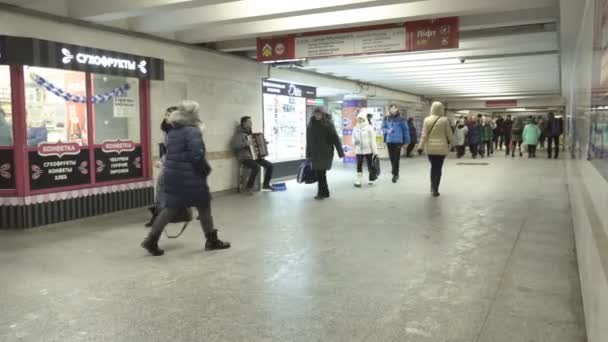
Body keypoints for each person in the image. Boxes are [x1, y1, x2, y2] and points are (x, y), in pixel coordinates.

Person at [141, 100, 230, 256]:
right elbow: (197, 155)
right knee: (204, 208)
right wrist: (205, 169)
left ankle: (151, 240)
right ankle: (211, 240)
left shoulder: (173, 131)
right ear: (193, 113)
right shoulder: (192, 131)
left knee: (169, 208)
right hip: (191, 177)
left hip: (173, 176)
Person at [146, 106, 179, 227]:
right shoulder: (167, 128)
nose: (167, 116)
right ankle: (158, 216)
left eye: (170, 114)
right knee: (162, 189)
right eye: (166, 113)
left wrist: (163, 160)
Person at [306, 107, 344, 200]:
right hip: (315, 153)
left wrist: (340, 151)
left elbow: (335, 138)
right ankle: (325, 192)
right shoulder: (311, 125)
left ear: (322, 114)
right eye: (315, 114)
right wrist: (308, 153)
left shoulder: (328, 124)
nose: (317, 115)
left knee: (321, 173)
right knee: (321, 173)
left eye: (319, 114)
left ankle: (321, 193)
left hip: (325, 152)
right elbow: (308, 140)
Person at [417, 102, 453, 197]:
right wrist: (453, 143)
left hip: (430, 149)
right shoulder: (445, 120)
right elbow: (449, 134)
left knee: (433, 167)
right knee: (438, 168)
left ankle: (432, 186)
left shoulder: (427, 120)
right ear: (441, 109)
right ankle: (435, 188)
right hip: (441, 149)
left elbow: (424, 135)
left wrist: (420, 147)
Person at [231, 116, 275, 193]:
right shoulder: (239, 134)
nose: (251, 123)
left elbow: (255, 145)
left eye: (251, 122)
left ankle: (266, 184)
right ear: (244, 123)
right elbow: (234, 146)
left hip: (254, 156)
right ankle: (249, 187)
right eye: (249, 122)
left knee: (270, 166)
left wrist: (263, 143)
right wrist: (245, 144)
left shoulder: (251, 134)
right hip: (244, 157)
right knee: (256, 167)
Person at [382, 104, 410, 183]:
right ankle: (394, 170)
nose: (393, 110)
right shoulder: (386, 118)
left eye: (394, 108)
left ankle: (395, 174)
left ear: (397, 109)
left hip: (398, 141)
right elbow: (383, 128)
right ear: (389, 110)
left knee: (396, 158)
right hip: (389, 141)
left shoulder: (402, 119)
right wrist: (387, 131)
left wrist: (406, 141)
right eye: (391, 108)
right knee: (391, 158)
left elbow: (406, 130)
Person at [352, 112, 378, 187]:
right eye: (358, 119)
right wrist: (354, 142)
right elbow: (353, 138)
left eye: (361, 119)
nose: (359, 120)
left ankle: (371, 179)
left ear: (364, 119)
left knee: (370, 165)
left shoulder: (369, 128)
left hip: (368, 150)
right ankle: (358, 181)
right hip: (358, 150)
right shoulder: (355, 128)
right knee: (359, 165)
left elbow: (373, 140)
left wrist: (375, 152)